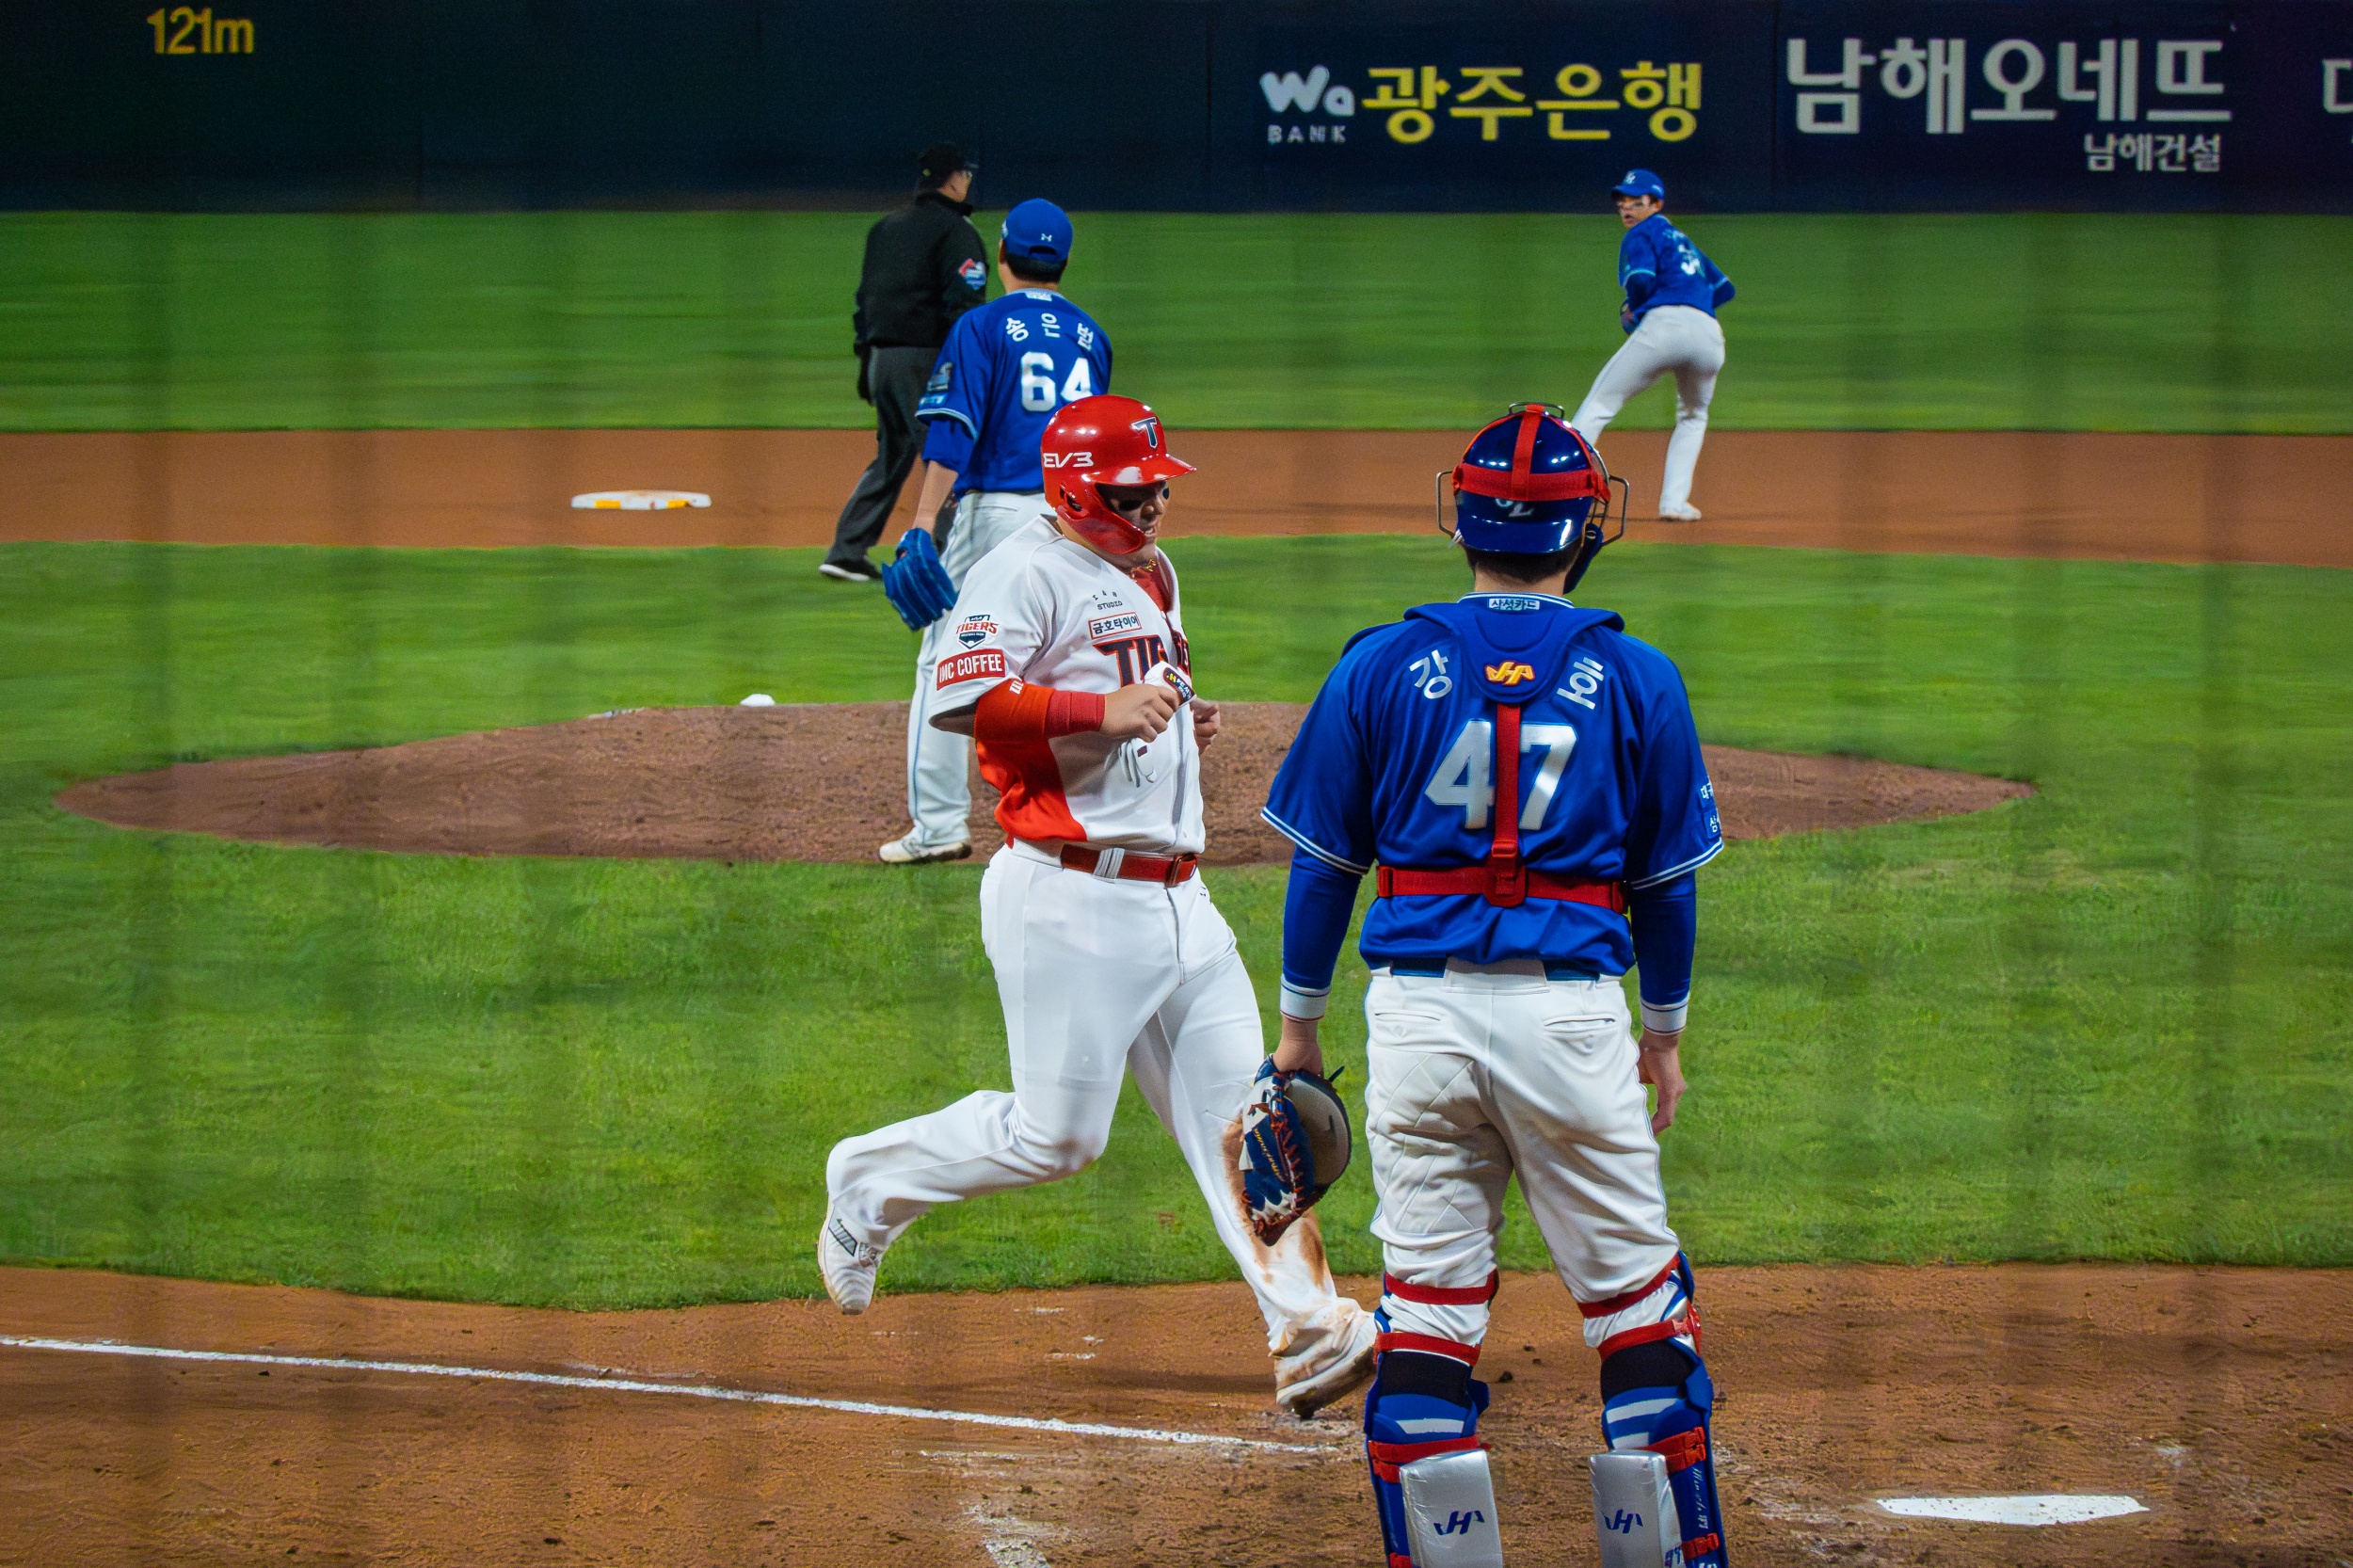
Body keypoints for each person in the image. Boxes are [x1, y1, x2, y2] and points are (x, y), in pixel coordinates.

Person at [820, 394, 1379, 1419]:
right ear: (1076, 491)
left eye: (1159, 486)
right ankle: (865, 1181)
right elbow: (961, 698)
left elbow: (1134, 701)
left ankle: (1308, 1328)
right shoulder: (1022, 571)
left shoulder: (1154, 571)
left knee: (1244, 1123)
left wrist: (1176, 729)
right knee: (1058, 1141)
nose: (1154, 504)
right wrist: (1103, 710)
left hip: (1180, 900)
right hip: (1069, 898)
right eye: (1132, 492)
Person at [1259, 405, 1729, 1566]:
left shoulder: (1377, 664)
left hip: (1415, 1019)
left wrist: (1297, 1032)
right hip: (1568, 1021)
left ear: (1458, 517)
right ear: (1588, 528)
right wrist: (1662, 1034)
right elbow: (1665, 889)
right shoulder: (1636, 674)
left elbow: (1323, 868)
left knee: (1426, 1315)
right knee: (1639, 1317)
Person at [877, 198, 1114, 866]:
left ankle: (938, 827)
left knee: (944, 661)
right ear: (1064, 261)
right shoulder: (1092, 337)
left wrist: (922, 522)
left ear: (1002, 256)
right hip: (1076, 517)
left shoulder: (980, 326)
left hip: (997, 518)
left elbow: (954, 432)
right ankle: (1088, 815)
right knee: (1071, 660)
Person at [821, 143, 988, 584]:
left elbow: (865, 301)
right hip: (926, 362)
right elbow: (966, 305)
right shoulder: (956, 231)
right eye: (966, 174)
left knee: (892, 454)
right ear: (953, 179)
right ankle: (946, 559)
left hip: (881, 358)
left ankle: (846, 551)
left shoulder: (885, 228)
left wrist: (866, 359)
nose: (969, 180)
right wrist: (965, 367)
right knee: (948, 456)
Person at [1569, 168, 1736, 523]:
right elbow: (1724, 289)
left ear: (1656, 204)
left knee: (1600, 403)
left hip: (1664, 329)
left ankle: (1561, 491)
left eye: (1636, 201)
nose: (1626, 208)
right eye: (1622, 202)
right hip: (1709, 335)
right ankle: (1674, 504)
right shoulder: (1684, 241)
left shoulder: (1640, 234)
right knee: (1694, 415)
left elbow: (1641, 280)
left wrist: (1635, 309)